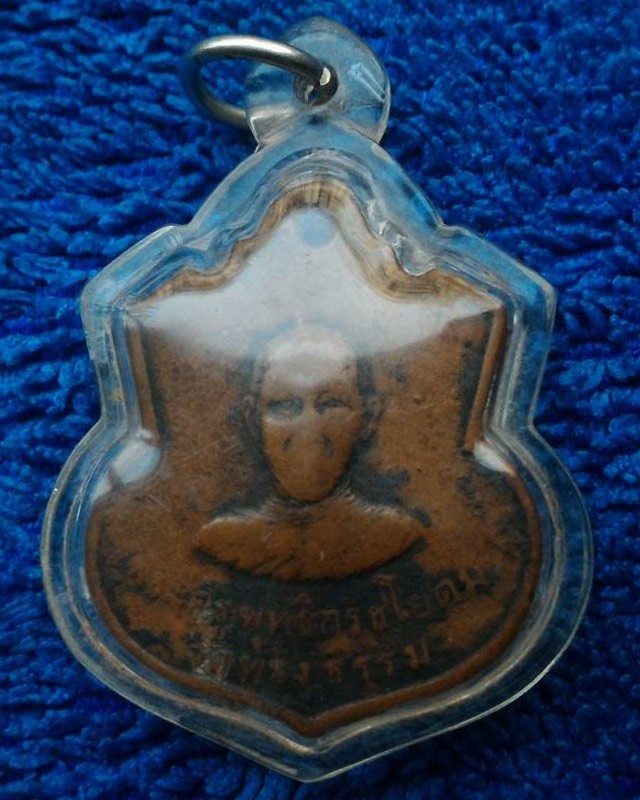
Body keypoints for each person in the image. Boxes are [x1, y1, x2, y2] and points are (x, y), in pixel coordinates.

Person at [193, 324, 428, 581]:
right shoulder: (220, 540)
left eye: (331, 404)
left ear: (368, 417)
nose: (309, 430)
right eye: (286, 405)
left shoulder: (398, 535)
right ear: (252, 420)